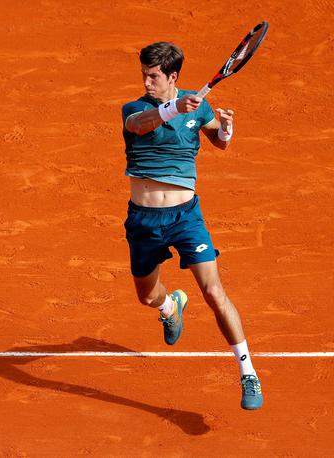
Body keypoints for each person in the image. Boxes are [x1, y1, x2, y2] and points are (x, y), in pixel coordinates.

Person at [120, 42, 263, 410]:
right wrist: (172, 108)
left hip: (186, 217)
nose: (146, 82)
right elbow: (138, 125)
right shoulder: (134, 109)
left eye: (153, 76)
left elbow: (218, 140)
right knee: (146, 297)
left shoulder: (198, 108)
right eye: (144, 75)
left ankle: (248, 372)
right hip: (144, 221)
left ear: (173, 77)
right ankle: (170, 307)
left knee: (214, 293)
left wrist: (227, 130)